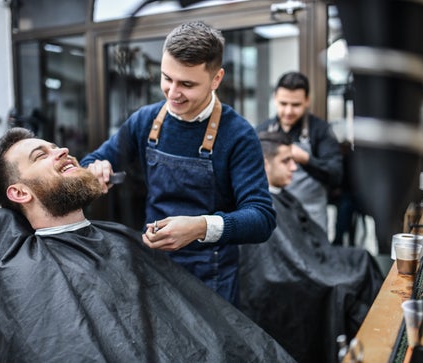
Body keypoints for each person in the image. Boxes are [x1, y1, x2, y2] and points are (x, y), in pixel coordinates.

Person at [0, 127, 295, 363]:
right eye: (43, 155)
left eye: (57, 147)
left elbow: (261, 218)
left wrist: (199, 226)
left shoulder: (119, 241)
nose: (63, 151)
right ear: (20, 193)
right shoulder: (27, 279)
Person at [80, 21, 276, 305]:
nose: (172, 93)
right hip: (154, 264)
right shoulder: (145, 120)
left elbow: (261, 218)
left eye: (186, 84)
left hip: (212, 275)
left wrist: (199, 228)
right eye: (166, 78)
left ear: (216, 79)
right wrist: (96, 168)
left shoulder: (238, 135)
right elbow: (93, 159)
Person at [238, 132, 383, 363]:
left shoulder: (283, 196)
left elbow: (306, 246)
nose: (294, 168)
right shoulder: (259, 207)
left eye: (293, 160)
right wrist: (326, 273)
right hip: (291, 282)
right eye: (286, 161)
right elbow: (280, 264)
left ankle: (380, 336)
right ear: (263, 163)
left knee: (363, 259)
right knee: (345, 288)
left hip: (311, 263)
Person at [256, 71, 343, 233]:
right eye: (283, 103)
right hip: (275, 215)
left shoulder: (321, 131)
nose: (288, 111)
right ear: (275, 98)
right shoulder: (262, 132)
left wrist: (306, 159)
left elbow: (336, 174)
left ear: (307, 101)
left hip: (312, 216)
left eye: (295, 105)